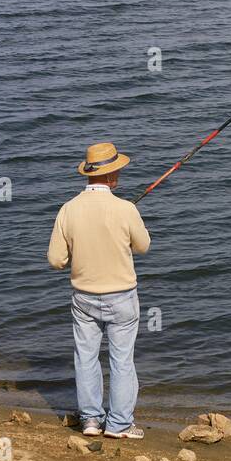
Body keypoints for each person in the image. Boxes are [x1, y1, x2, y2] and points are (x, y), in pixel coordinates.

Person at [47, 141, 151, 438]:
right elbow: (143, 246)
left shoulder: (68, 210)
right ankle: (119, 424)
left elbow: (56, 260)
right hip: (122, 297)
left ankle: (91, 420)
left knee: (86, 357)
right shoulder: (126, 209)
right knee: (121, 360)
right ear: (112, 177)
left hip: (83, 298)